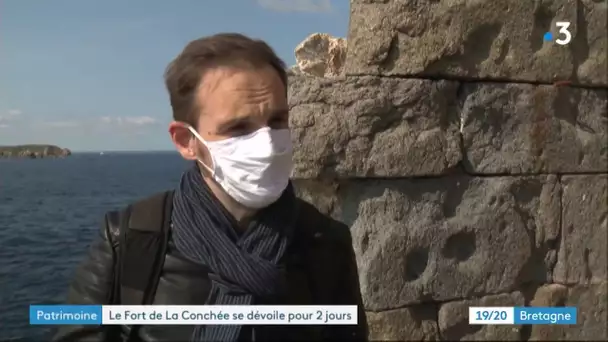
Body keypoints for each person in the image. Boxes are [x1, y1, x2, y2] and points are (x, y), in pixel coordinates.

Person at [52, 33, 368, 342]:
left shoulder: (325, 242)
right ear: (186, 141)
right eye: (238, 127)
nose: (268, 144)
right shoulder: (131, 239)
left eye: (276, 121)